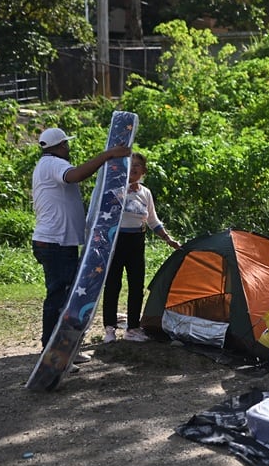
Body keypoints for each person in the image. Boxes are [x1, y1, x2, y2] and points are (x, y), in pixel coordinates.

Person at [31, 127, 132, 359]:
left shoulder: (46, 164)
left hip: (56, 241)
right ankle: (52, 348)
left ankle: (61, 346)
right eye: (66, 144)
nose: (68, 148)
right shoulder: (53, 163)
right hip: (56, 242)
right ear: (60, 146)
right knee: (60, 297)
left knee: (63, 296)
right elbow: (75, 175)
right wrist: (107, 155)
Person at [103, 153, 180, 343]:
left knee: (136, 286)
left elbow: (153, 220)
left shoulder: (145, 193)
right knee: (113, 284)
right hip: (116, 241)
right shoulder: (115, 188)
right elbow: (105, 214)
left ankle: (133, 328)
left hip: (137, 241)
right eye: (130, 165)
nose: (133, 169)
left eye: (137, 166)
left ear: (143, 171)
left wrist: (168, 239)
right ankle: (109, 328)